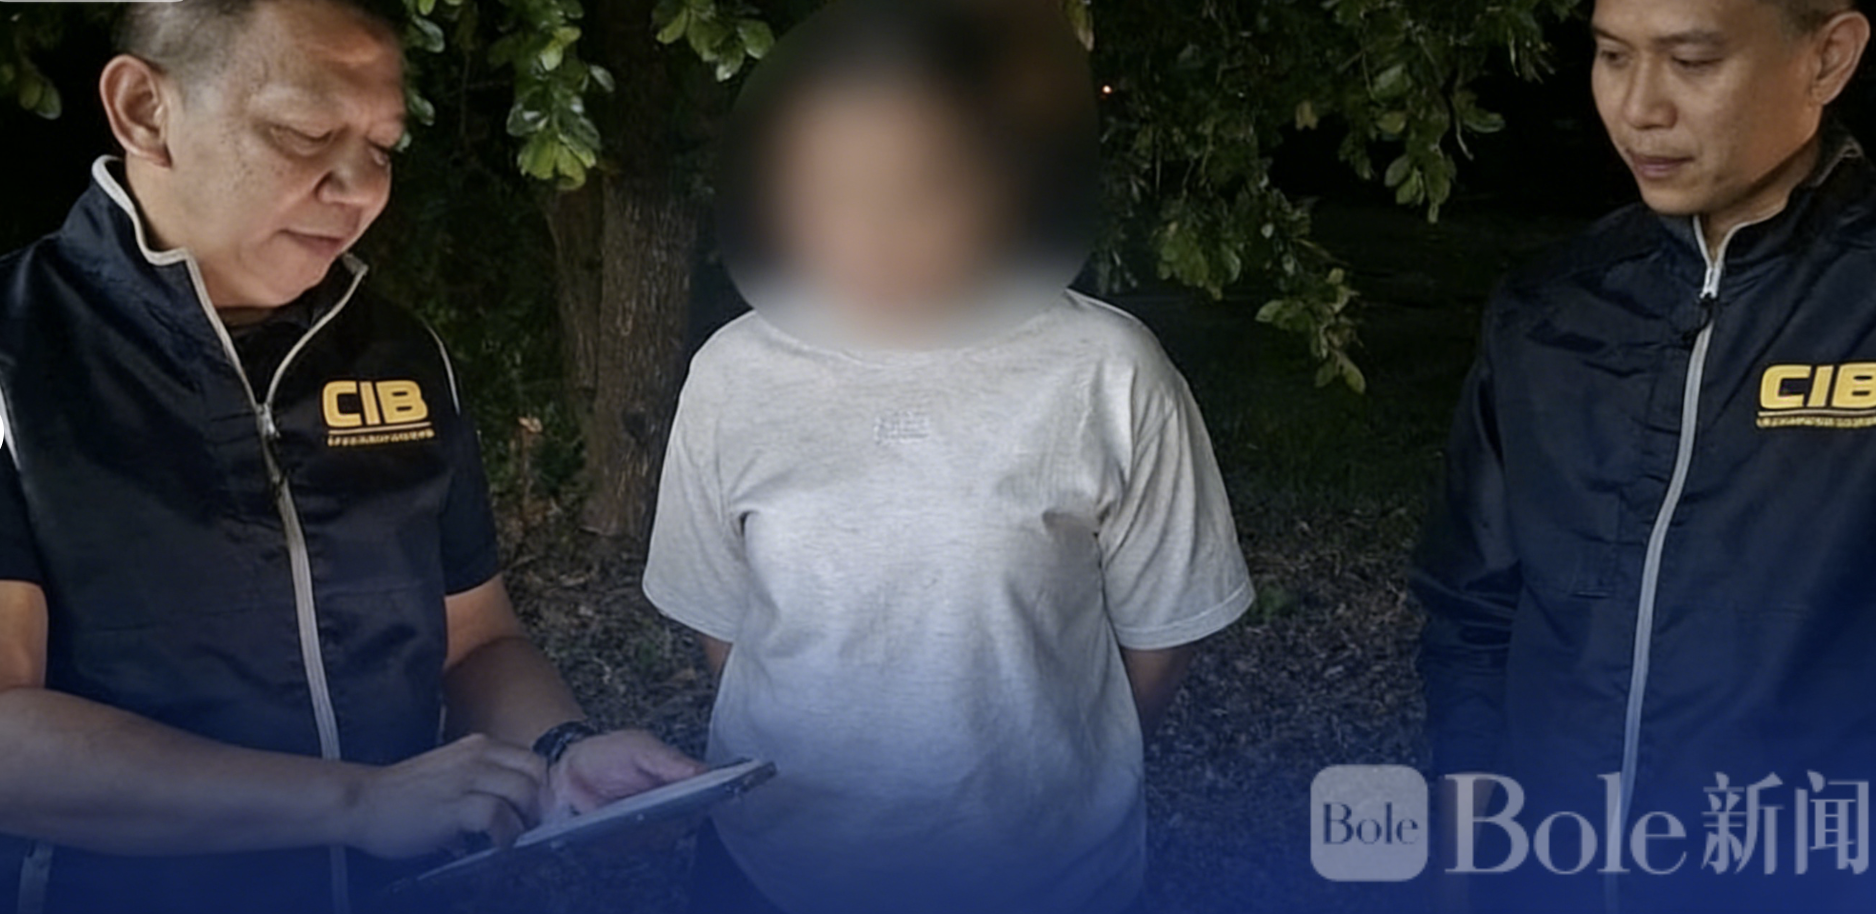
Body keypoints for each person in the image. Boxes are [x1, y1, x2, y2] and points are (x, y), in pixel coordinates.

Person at [0, 2, 703, 912]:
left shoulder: (400, 354)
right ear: (144, 109)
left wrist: (560, 752)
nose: (360, 189)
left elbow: (476, 639)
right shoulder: (20, 354)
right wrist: (353, 803)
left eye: (381, 148)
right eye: (303, 133)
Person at [641, 3, 1252, 913]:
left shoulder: (1110, 372)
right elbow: (725, 626)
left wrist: (1051, 774)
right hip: (776, 868)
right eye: (829, 189)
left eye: (922, 187)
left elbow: (1163, 631)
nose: (872, 232)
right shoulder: (733, 374)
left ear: (1003, 185)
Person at [1415, 0, 1873, 911]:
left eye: (1692, 61)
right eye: (1613, 56)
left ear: (1827, 59)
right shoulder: (1549, 310)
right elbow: (1472, 613)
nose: (1638, 109)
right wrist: (1466, 856)